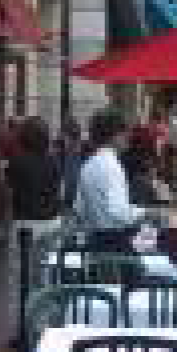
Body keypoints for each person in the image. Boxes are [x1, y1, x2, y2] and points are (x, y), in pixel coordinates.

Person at [5, 118, 62, 335]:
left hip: (25, 224)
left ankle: (20, 329)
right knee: (46, 276)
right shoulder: (54, 162)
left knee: (20, 278)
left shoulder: (16, 163)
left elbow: (7, 190)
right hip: (51, 223)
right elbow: (59, 191)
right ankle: (44, 325)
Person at [73, 107, 146, 252]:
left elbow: (79, 208)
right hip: (114, 241)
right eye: (125, 133)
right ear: (115, 136)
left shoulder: (88, 165)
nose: (128, 138)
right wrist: (146, 213)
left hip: (94, 239)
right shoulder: (112, 166)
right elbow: (118, 212)